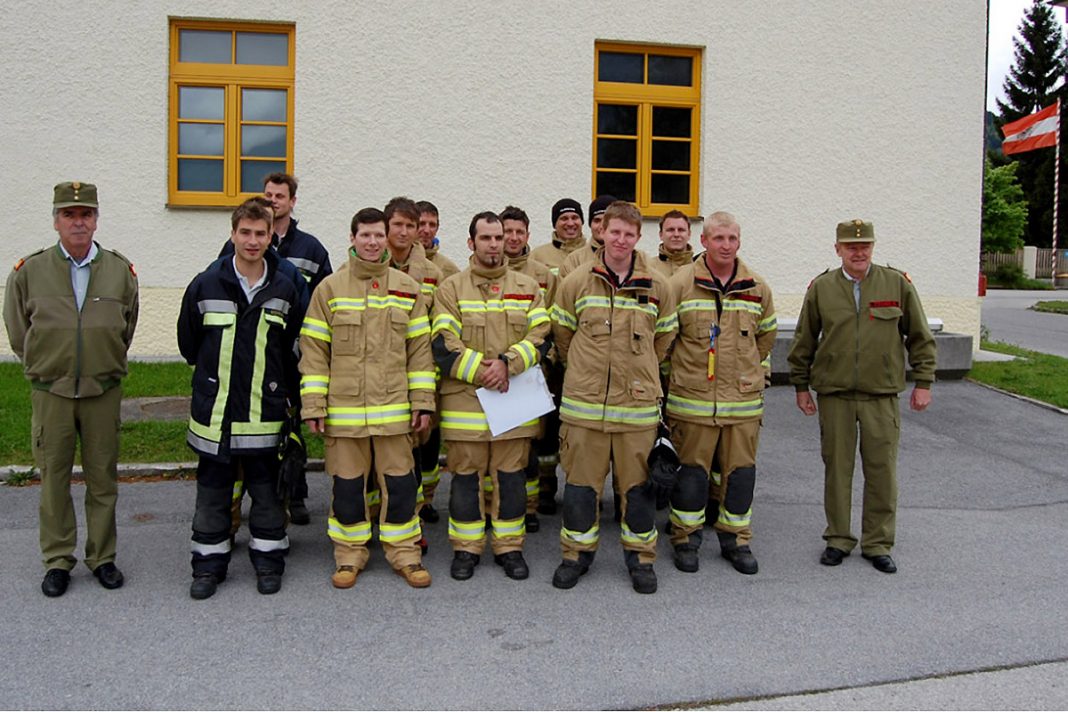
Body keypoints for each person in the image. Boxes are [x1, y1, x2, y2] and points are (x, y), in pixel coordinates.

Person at [3, 181, 139, 597]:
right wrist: (46, 365)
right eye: (69, 214)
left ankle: (102, 557)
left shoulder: (119, 270)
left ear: (96, 219)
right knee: (53, 480)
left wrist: (103, 359)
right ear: (56, 220)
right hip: (52, 391)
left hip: (102, 389)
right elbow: (17, 330)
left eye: (85, 214)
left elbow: (126, 327)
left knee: (103, 479)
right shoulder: (30, 271)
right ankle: (59, 559)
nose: (78, 222)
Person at [788, 219, 936, 574]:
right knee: (837, 470)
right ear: (837, 249)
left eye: (865, 245)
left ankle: (878, 542)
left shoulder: (896, 284)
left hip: (880, 394)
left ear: (873, 247)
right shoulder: (822, 288)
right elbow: (804, 340)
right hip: (834, 394)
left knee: (882, 471)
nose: (859, 251)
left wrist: (924, 381)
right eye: (851, 246)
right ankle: (838, 538)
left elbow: (919, 335)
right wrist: (799, 386)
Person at [299, 207, 435, 589]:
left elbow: (420, 352)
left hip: (394, 412)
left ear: (386, 239)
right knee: (347, 489)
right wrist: (314, 404)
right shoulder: (329, 289)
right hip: (344, 412)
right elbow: (313, 352)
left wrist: (423, 402)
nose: (373, 242)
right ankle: (349, 556)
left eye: (378, 235)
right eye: (365, 236)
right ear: (353, 238)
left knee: (402, 487)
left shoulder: (407, 288)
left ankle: (406, 554)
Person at [176, 198, 302, 599]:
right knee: (212, 496)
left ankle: (268, 562)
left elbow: (291, 349)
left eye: (260, 233)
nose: (252, 240)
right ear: (232, 235)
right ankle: (208, 567)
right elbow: (189, 344)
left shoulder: (285, 287)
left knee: (267, 496)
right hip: (215, 416)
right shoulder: (205, 283)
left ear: (271, 237)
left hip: (263, 415)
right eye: (244, 233)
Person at [549, 201, 677, 594]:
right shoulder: (576, 282)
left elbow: (664, 339)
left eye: (629, 234)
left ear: (639, 238)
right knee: (581, 488)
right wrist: (587, 373)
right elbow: (563, 336)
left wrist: (638, 376)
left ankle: (640, 559)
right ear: (601, 232)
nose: (620, 240)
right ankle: (576, 556)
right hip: (584, 410)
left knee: (637, 490)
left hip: (636, 411)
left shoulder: (659, 286)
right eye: (614, 231)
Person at [432, 211, 551, 580]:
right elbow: (442, 342)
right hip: (466, 402)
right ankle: (466, 550)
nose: (494, 244)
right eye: (485, 238)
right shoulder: (450, 288)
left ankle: (509, 548)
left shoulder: (528, 286)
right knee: (466, 479)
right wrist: (485, 371)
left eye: (498, 237)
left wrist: (508, 363)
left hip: (513, 399)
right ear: (471, 243)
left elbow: (542, 336)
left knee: (511, 479)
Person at [664, 211, 776, 575]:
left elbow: (766, 337)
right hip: (692, 402)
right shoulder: (680, 284)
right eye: (718, 239)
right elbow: (665, 340)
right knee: (691, 475)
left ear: (739, 242)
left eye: (732, 239)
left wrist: (745, 373)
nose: (726, 246)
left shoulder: (757, 286)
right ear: (704, 242)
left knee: (740, 474)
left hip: (742, 403)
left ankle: (736, 539)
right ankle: (685, 538)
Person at [220, 173, 330, 525]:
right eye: (268, 194)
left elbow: (319, 305)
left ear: (292, 201)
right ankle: (235, 509)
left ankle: (293, 496)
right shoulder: (237, 246)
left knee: (290, 432)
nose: (273, 200)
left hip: (291, 358)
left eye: (280, 195)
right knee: (241, 440)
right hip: (247, 359)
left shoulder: (311, 249)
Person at [382, 196, 444, 527]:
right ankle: (378, 515)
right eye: (398, 225)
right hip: (378, 374)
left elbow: (440, 326)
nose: (405, 232)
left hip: (420, 372)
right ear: (386, 227)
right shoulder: (365, 268)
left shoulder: (433, 274)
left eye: (412, 225)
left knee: (419, 447)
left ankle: (413, 515)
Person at [500, 205, 557, 532]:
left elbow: (553, 324)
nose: (512, 237)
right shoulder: (484, 272)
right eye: (507, 231)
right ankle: (498, 506)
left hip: (533, 372)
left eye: (519, 232)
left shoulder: (542, 274)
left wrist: (545, 363)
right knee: (501, 444)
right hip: (497, 372)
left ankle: (529, 507)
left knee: (530, 445)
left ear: (527, 235)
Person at [558, 195, 616, 279]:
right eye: (597, 220)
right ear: (590, 224)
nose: (602, 226)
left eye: (608, 220)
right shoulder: (574, 260)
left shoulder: (635, 259)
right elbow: (566, 291)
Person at [529, 198, 586, 277]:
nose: (570, 223)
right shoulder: (537, 256)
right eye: (564, 218)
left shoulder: (595, 254)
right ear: (554, 224)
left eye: (574, 218)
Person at [417, 200, 460, 279]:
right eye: (422, 224)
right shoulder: (395, 262)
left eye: (432, 225)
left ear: (437, 228)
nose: (427, 230)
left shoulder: (449, 270)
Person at [652, 210, 695, 277]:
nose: (676, 234)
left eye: (681, 230)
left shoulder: (700, 270)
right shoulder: (647, 269)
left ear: (689, 234)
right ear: (661, 235)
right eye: (670, 230)